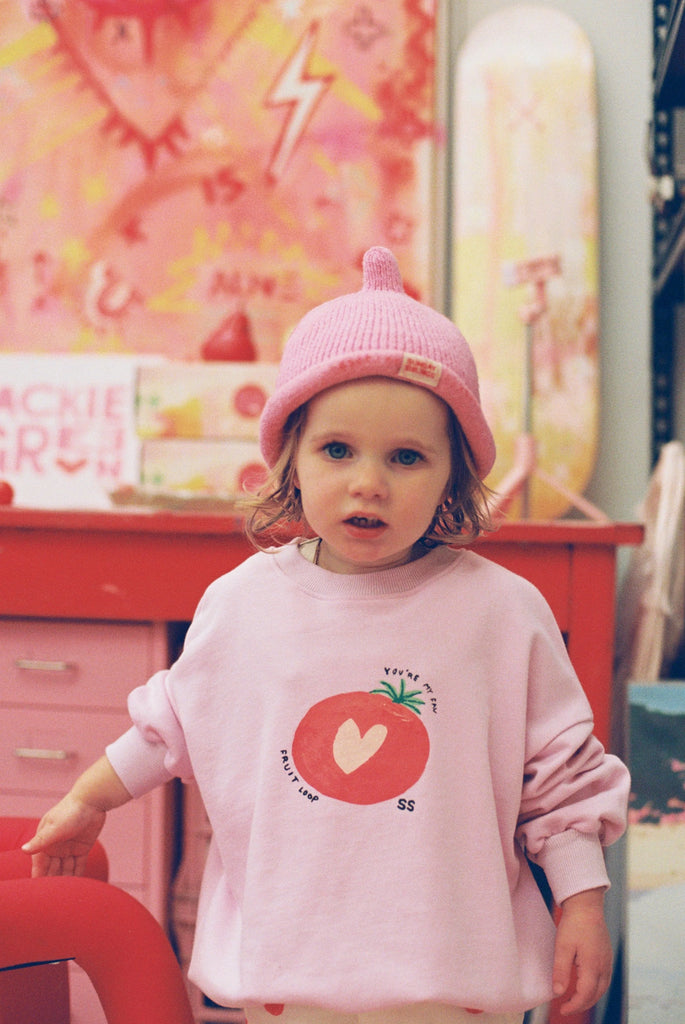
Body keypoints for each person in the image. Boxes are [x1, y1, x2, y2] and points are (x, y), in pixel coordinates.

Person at [23, 247, 630, 1024]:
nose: (367, 481)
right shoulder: (243, 604)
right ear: (292, 460)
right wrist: (86, 799)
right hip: (289, 976)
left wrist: (582, 903)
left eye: (406, 456)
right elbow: (170, 724)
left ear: (454, 474)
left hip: (453, 982)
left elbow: (562, 778)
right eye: (336, 449)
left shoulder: (501, 613)